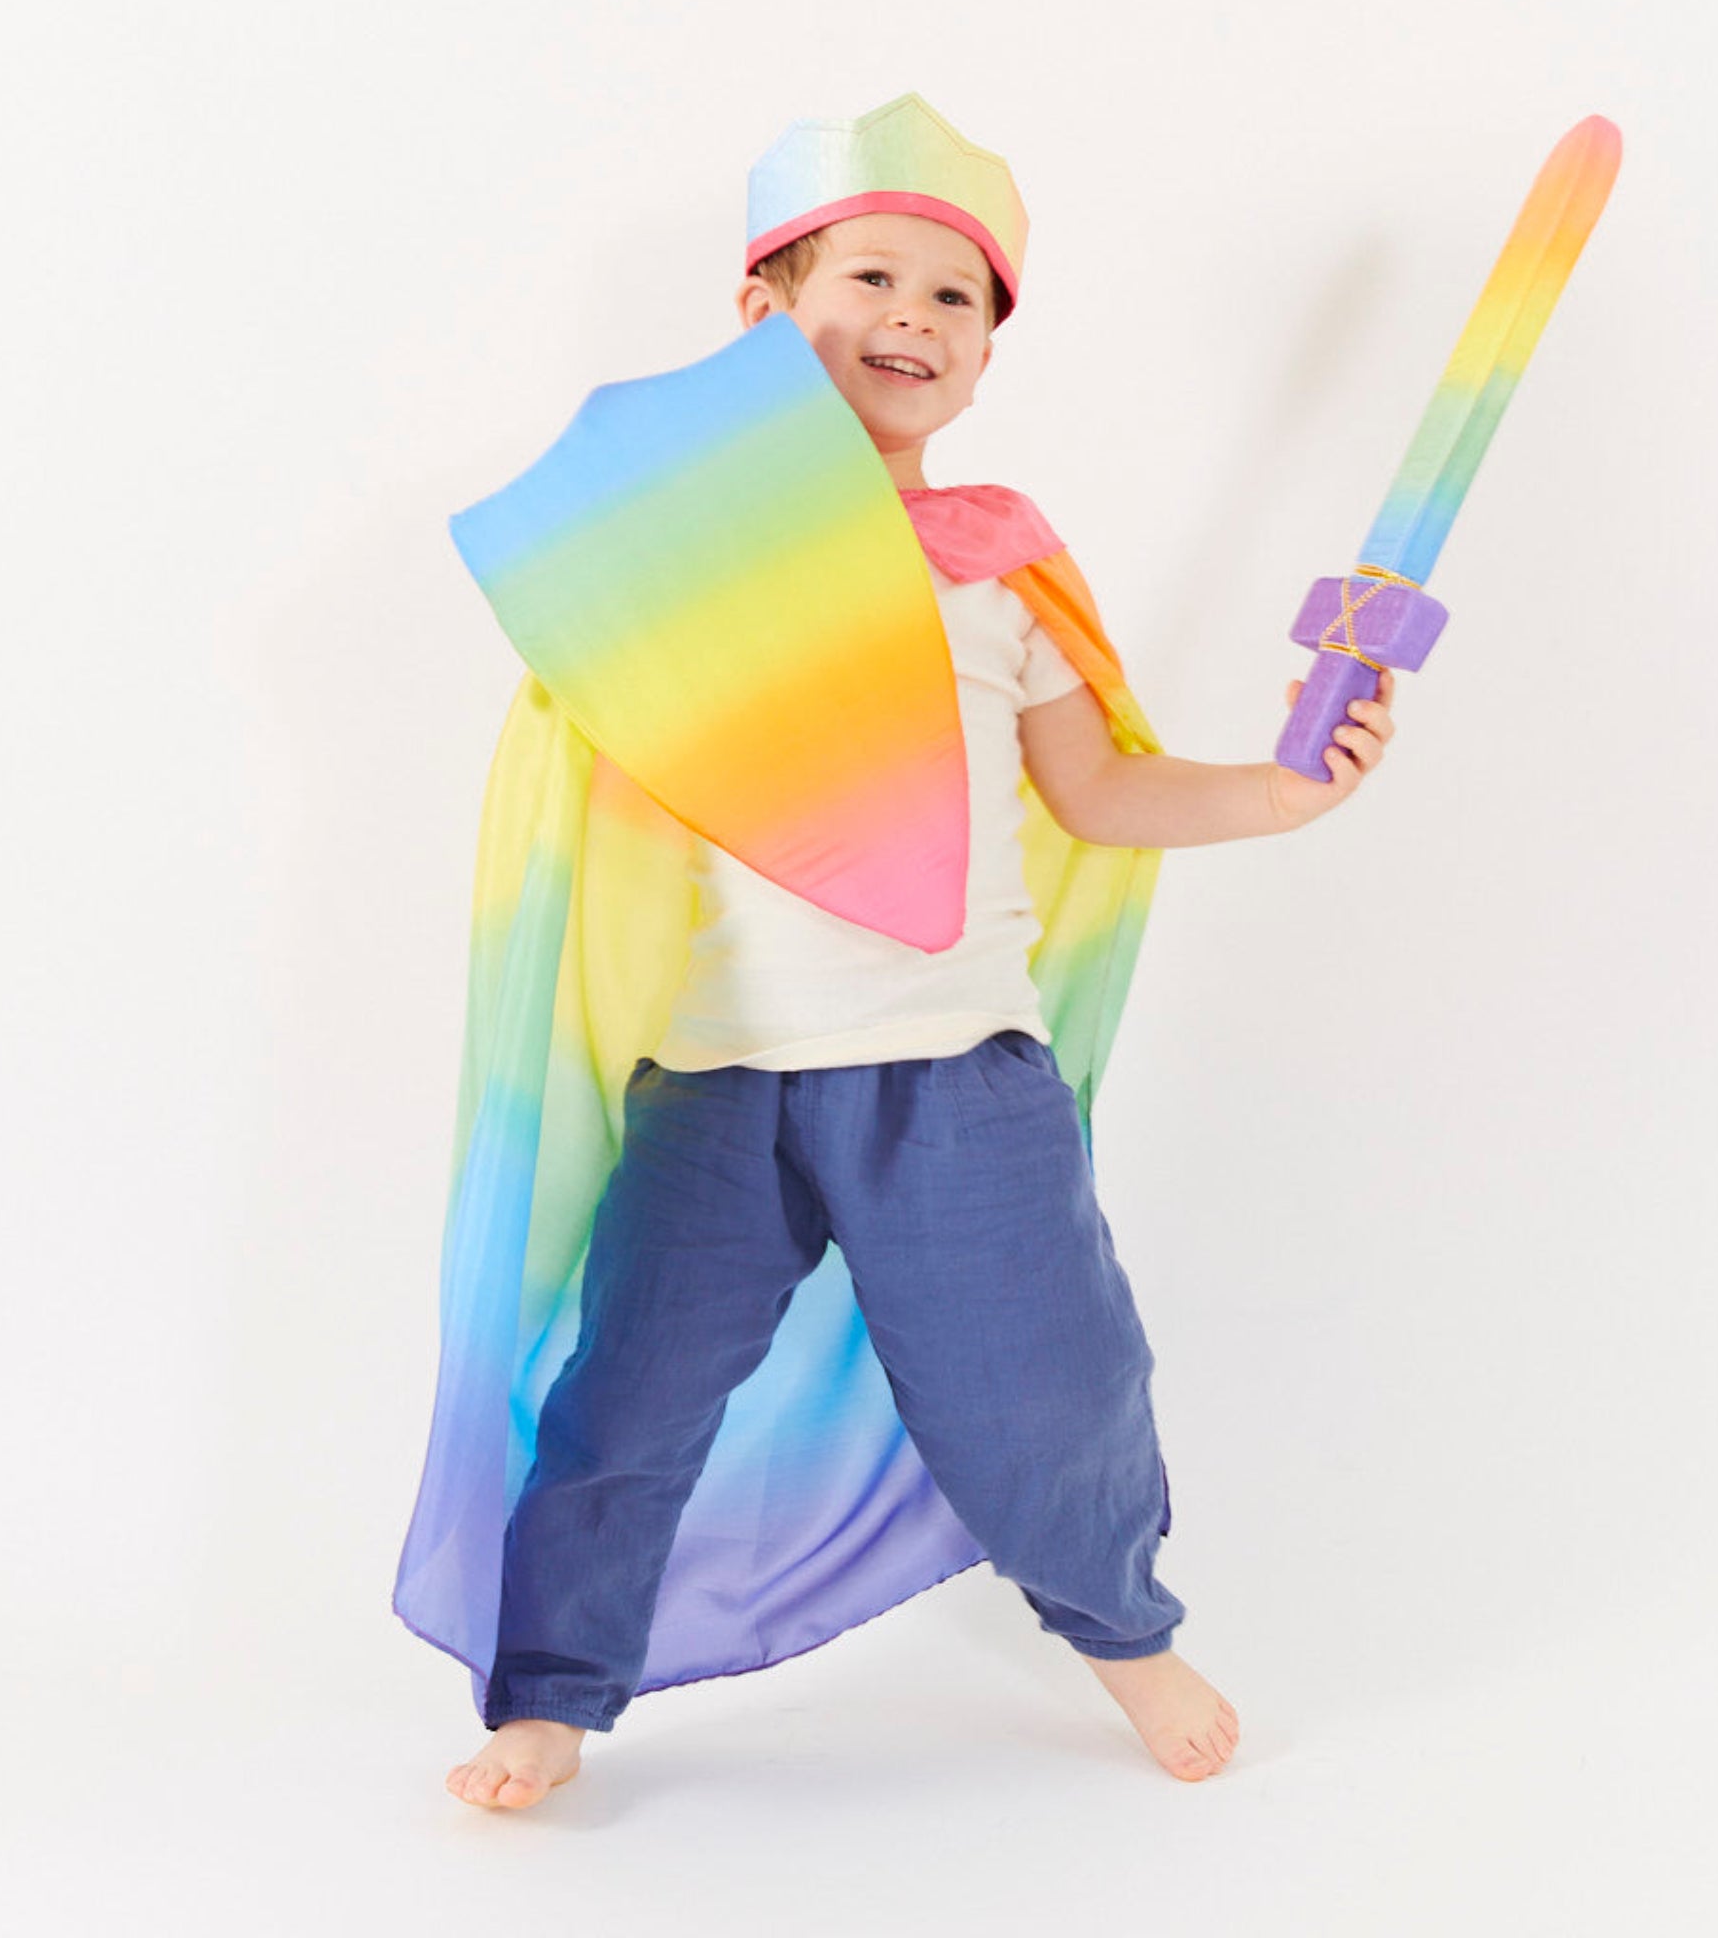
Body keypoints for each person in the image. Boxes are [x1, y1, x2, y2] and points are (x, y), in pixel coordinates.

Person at [431, 95, 1395, 1811]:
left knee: (1047, 1382)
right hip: (716, 1085)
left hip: (954, 1070)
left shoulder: (999, 571)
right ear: (762, 311)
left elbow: (1095, 792)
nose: (916, 318)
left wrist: (1278, 793)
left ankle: (1122, 1630)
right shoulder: (678, 563)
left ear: (985, 357)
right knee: (624, 1403)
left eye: (958, 299)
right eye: (870, 277)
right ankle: (555, 1694)